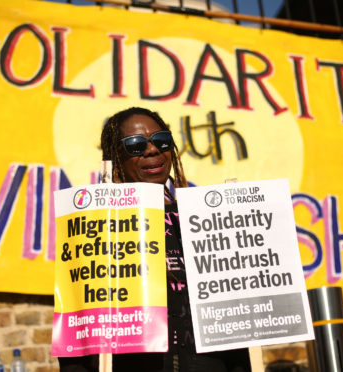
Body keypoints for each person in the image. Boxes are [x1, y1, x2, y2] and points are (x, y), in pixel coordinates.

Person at [59, 107, 251, 372]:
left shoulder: (202, 219)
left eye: (161, 140)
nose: (152, 150)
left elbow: (236, 316)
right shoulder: (96, 226)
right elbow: (79, 325)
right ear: (116, 156)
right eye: (135, 145)